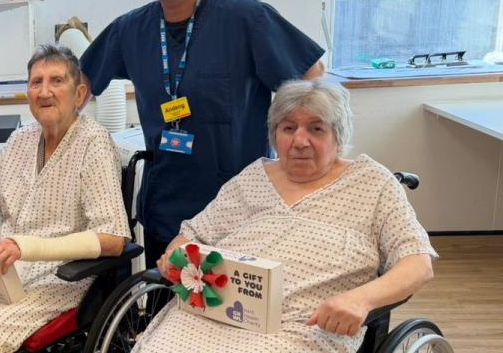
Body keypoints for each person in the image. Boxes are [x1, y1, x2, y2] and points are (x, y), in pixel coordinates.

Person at [80, 0, 325, 267]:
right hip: (168, 202)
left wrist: (297, 146)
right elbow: (79, 83)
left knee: (236, 311)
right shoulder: (130, 30)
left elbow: (312, 74)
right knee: (168, 306)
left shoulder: (245, 18)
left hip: (241, 204)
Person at [135, 80, 436, 352]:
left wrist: (360, 299)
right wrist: (176, 253)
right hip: (214, 313)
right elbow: (194, 233)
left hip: (304, 327)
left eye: (316, 129)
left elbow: (418, 263)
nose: (299, 141)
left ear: (339, 137)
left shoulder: (372, 183)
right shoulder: (253, 178)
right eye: (288, 128)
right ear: (275, 134)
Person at [0, 44, 130, 353]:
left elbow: (114, 238)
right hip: (0, 270)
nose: (45, 91)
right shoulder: (20, 139)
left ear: (80, 94)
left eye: (57, 81)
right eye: (36, 82)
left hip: (58, 277)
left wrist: (27, 247)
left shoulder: (93, 144)